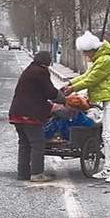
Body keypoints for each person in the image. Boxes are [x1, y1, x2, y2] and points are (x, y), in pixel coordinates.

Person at [63, 31, 110, 183]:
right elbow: (86, 75)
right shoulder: (100, 59)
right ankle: (108, 168)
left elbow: (91, 79)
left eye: (86, 53)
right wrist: (71, 83)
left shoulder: (105, 61)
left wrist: (73, 89)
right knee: (106, 135)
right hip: (108, 99)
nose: (85, 56)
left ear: (92, 50)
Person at [9, 51, 65, 182]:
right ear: (47, 62)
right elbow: (50, 92)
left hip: (17, 113)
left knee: (24, 144)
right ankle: (37, 174)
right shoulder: (41, 72)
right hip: (30, 114)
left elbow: (39, 92)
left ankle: (23, 173)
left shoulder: (29, 69)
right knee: (37, 144)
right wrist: (63, 99)